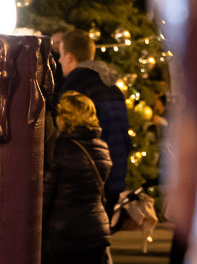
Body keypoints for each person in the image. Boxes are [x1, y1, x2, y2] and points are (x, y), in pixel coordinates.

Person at [58, 30, 131, 205]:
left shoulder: (76, 87)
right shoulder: (112, 86)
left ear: (69, 57)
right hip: (115, 175)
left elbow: (69, 137)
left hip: (88, 183)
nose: (59, 61)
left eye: (61, 55)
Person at [43, 92, 114, 264]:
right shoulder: (102, 147)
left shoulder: (62, 148)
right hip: (96, 230)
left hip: (66, 233)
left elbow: (47, 194)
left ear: (66, 118)